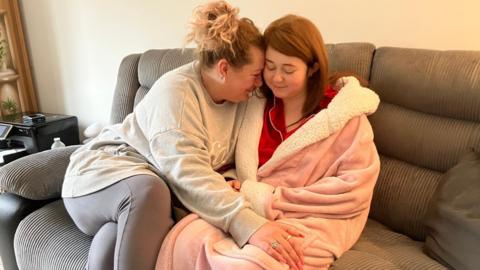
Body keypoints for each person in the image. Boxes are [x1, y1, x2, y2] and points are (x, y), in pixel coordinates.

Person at [61, 1, 297, 269]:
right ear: (223, 69)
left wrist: (232, 181)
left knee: (115, 239)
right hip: (101, 178)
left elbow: (237, 159)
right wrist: (251, 226)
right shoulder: (177, 94)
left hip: (143, 199)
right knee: (149, 191)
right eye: (255, 75)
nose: (260, 83)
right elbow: (187, 173)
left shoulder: (242, 100)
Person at [156, 14, 381, 270]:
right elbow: (224, 160)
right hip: (249, 208)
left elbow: (355, 190)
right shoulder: (255, 105)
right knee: (188, 240)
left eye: (288, 69)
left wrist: (268, 199)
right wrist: (233, 187)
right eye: (270, 66)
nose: (276, 78)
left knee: (248, 265)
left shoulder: (345, 117)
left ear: (313, 68)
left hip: (312, 217)